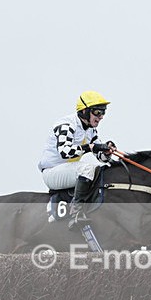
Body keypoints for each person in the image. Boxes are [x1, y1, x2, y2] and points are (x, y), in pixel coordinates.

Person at [37, 90, 116, 227]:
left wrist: (107, 152)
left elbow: (100, 157)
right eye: (97, 112)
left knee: (99, 170)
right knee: (87, 169)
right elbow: (65, 152)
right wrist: (90, 147)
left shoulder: (90, 130)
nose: (101, 116)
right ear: (85, 111)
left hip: (67, 171)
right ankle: (76, 211)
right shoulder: (67, 125)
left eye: (104, 112)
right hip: (52, 172)